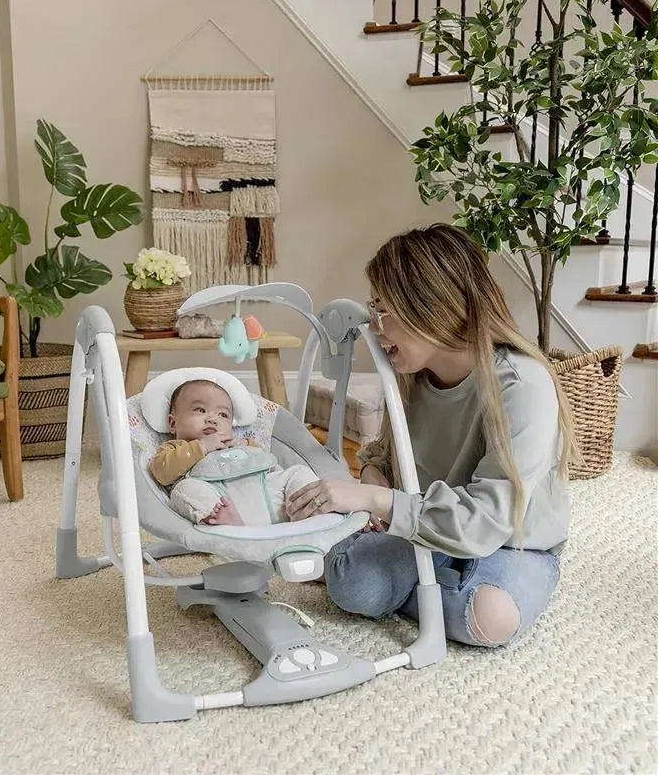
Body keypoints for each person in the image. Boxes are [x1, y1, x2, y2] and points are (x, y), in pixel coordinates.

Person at [286, 224, 577, 648]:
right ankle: (415, 579)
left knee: (488, 619)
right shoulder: (410, 377)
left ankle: (408, 583)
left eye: (383, 310)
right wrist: (372, 477)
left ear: (431, 306)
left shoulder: (522, 385)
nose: (374, 326)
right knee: (356, 587)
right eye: (372, 308)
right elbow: (384, 455)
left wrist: (375, 501)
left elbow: (488, 521)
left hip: (511, 543)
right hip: (426, 527)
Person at [149, 378, 318, 526]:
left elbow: (269, 466)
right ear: (173, 424)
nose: (212, 419)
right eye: (200, 410)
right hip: (220, 503)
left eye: (223, 415)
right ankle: (226, 522)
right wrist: (202, 447)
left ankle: (306, 509)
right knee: (184, 490)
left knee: (298, 472)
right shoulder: (175, 448)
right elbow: (161, 472)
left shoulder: (241, 443)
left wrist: (245, 446)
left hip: (267, 499)